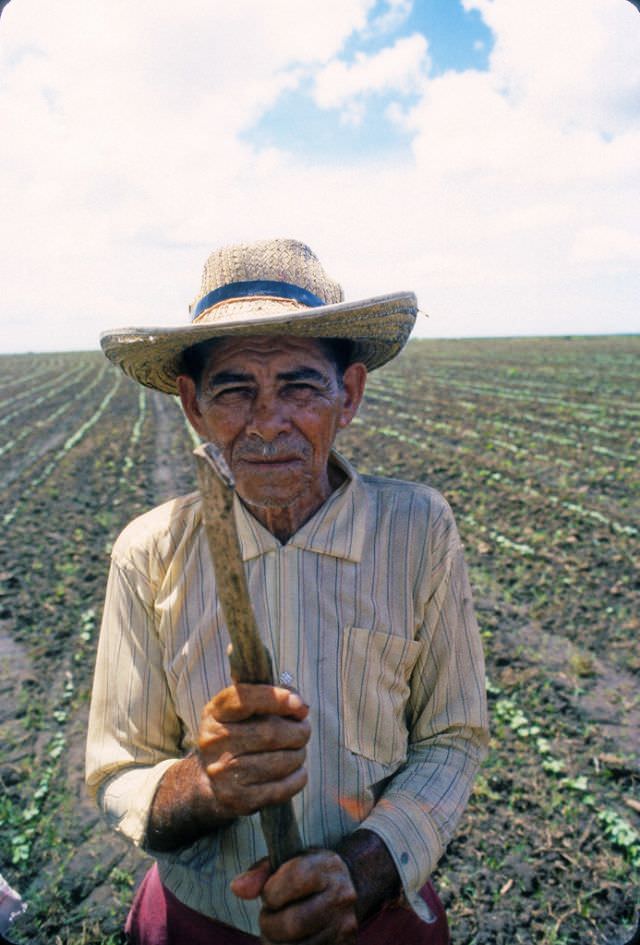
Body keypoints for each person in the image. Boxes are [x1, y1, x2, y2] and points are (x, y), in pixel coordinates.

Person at [86, 238, 489, 945]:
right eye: (235, 389)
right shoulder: (147, 552)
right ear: (192, 404)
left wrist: (362, 871)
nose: (268, 421)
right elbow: (119, 766)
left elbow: (452, 736)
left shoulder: (417, 530)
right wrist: (203, 786)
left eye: (300, 385)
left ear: (350, 394)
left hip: (376, 917)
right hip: (201, 920)